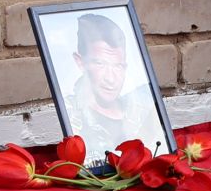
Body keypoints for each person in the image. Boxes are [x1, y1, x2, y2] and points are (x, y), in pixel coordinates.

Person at [62, 12, 167, 153]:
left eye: (118, 66)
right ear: (80, 62)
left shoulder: (143, 109)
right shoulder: (71, 115)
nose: (111, 79)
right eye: (100, 63)